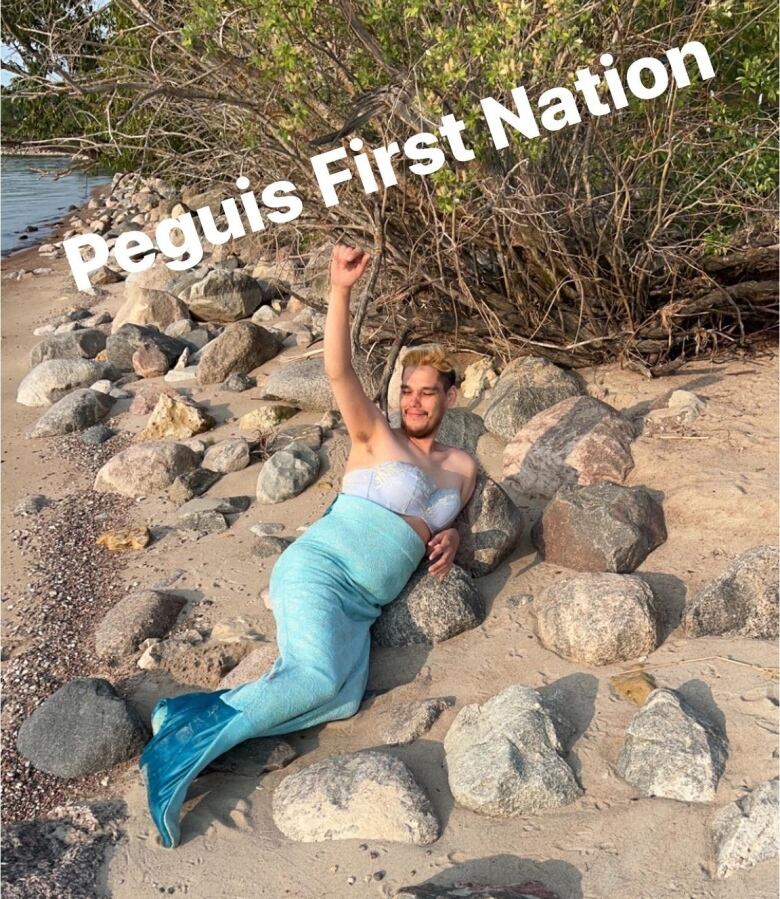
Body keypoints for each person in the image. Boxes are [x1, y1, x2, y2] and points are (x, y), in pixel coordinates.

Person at [140, 244, 478, 848]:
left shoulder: (463, 468)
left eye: (428, 392)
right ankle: (172, 760)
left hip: (362, 605)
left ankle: (189, 712)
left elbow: (456, 519)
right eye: (408, 390)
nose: (415, 401)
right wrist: (340, 288)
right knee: (318, 677)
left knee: (343, 699)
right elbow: (337, 372)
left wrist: (453, 532)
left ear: (450, 396)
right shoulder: (375, 433)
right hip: (321, 568)